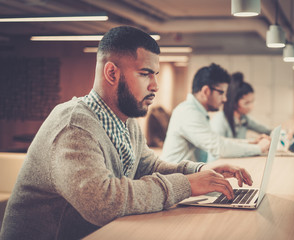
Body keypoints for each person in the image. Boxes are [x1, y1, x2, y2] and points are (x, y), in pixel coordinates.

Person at [0, 26, 253, 240]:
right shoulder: (73, 127)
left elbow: (146, 165)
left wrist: (199, 173)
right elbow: (103, 202)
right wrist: (186, 185)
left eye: (155, 74)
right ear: (112, 73)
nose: (154, 85)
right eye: (145, 74)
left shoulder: (126, 119)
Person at [161, 64, 270, 164]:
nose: (225, 99)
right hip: (175, 181)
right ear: (206, 91)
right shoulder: (188, 113)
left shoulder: (197, 112)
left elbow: (219, 141)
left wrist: (251, 143)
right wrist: (258, 149)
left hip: (187, 177)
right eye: (221, 93)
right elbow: (219, 147)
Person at [210, 72, 272, 140]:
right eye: (246, 103)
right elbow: (219, 147)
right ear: (234, 102)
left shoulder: (244, 119)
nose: (251, 107)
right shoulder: (220, 120)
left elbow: (266, 130)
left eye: (252, 102)